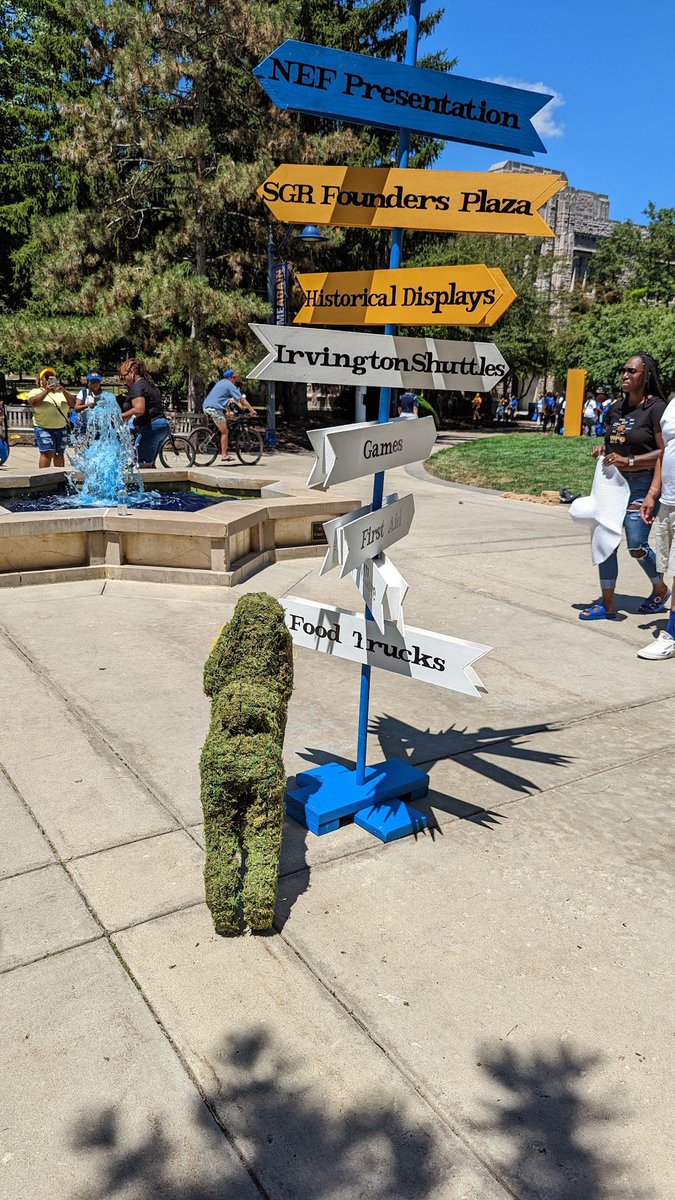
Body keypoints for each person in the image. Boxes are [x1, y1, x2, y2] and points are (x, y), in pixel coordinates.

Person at [579, 353, 669, 621]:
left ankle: (660, 589)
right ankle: (607, 604)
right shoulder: (617, 408)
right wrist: (603, 451)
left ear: (646, 375)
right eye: (624, 370)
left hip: (643, 482)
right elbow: (615, 442)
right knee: (606, 538)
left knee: (636, 543)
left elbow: (665, 452)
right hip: (614, 483)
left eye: (632, 371)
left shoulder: (656, 408)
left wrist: (629, 460)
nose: (625, 375)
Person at [637, 391, 675, 658]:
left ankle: (672, 633)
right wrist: (653, 492)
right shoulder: (673, 403)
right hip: (669, 499)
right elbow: (666, 450)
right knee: (668, 567)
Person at [118, 358, 170, 467]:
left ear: (132, 373)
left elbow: (139, 409)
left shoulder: (137, 386)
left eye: (123, 376)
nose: (122, 380)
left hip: (150, 428)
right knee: (149, 465)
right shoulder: (150, 384)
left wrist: (119, 417)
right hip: (162, 426)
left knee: (143, 469)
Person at [26, 367, 78, 468]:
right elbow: (33, 402)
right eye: (47, 377)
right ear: (41, 381)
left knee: (59, 454)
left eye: (52, 377)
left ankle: (59, 478)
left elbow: (73, 403)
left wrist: (63, 390)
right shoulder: (36, 391)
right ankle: (43, 478)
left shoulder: (61, 392)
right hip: (43, 428)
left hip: (61, 428)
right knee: (47, 452)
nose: (50, 379)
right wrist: (47, 391)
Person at [203, 369, 256, 462]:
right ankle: (224, 455)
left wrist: (228, 411)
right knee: (225, 431)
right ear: (230, 378)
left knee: (224, 424)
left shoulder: (221, 383)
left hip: (207, 407)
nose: (235, 380)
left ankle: (218, 442)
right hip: (214, 409)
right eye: (234, 378)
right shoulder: (230, 385)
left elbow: (223, 398)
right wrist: (252, 410)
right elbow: (241, 400)